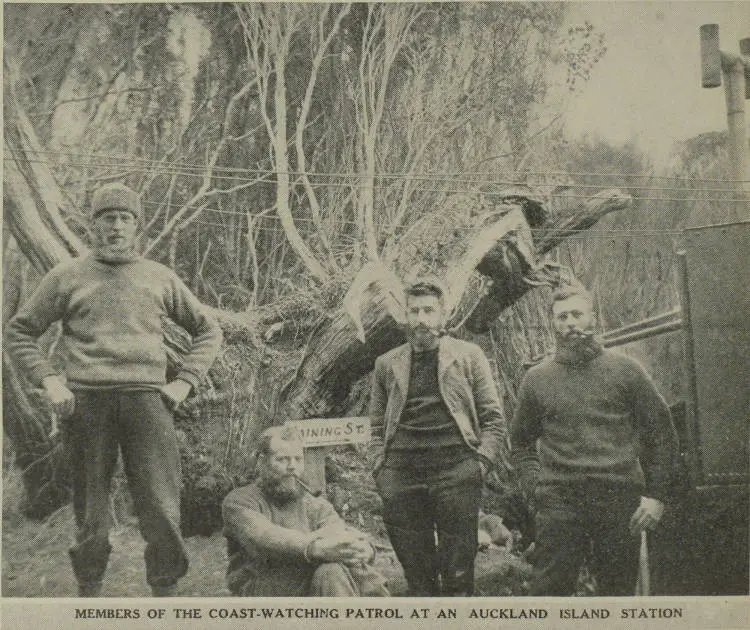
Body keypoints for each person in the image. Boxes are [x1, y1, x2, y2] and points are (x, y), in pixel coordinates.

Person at [5, 183, 223, 597]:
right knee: (92, 514)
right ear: (93, 225)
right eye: (108, 218)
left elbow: (208, 330)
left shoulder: (159, 277)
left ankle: (166, 597)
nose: (117, 226)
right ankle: (90, 593)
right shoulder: (66, 277)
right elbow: (19, 331)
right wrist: (50, 379)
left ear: (137, 227)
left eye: (125, 218)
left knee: (160, 507)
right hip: (87, 404)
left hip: (148, 402)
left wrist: (184, 381)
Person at [511, 286, 679, 596]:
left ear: (593, 319)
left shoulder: (626, 371)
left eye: (578, 314)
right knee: (548, 593)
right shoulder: (537, 379)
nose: (571, 323)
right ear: (553, 324)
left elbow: (662, 435)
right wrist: (537, 488)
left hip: (618, 500)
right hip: (560, 503)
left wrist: (656, 496)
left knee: (617, 594)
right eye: (562, 317)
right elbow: (520, 443)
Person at [369, 277, 509, 596]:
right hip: (401, 476)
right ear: (405, 316)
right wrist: (381, 468)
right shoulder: (386, 364)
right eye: (414, 311)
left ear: (442, 316)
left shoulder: (469, 356)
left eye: (428, 311)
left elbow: (493, 419)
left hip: (457, 471)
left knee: (459, 575)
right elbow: (376, 426)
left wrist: (480, 464)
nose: (421, 320)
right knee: (418, 579)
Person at [222, 425, 388, 596]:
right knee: (332, 571)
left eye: (298, 459)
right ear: (262, 462)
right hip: (263, 587)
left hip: (315, 581)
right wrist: (317, 546)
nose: (292, 466)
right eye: (282, 459)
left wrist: (364, 550)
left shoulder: (316, 504)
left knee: (332, 571)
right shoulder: (239, 501)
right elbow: (265, 538)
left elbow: (340, 534)